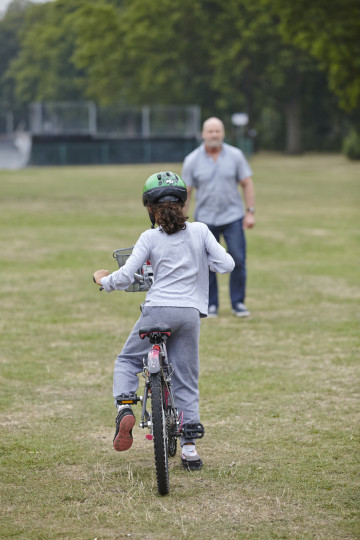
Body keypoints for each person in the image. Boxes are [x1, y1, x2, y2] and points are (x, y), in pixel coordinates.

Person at [93, 171, 234, 470]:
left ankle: (126, 407)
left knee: (128, 360)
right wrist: (200, 262)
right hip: (189, 314)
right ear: (183, 204)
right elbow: (227, 264)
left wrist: (103, 280)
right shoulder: (200, 231)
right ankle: (190, 449)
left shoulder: (149, 237)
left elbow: (127, 276)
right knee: (186, 377)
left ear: (150, 209)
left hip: (157, 310)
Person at [182, 117, 255, 318]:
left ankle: (238, 303)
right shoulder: (192, 160)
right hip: (205, 219)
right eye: (210, 131)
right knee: (206, 263)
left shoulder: (236, 156)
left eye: (217, 131)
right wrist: (181, 220)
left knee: (238, 259)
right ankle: (210, 304)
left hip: (233, 217)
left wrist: (250, 212)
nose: (214, 134)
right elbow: (186, 191)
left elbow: (247, 183)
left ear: (223, 133)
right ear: (203, 134)